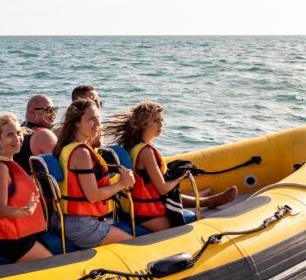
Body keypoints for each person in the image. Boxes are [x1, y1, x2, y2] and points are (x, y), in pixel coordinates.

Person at [106, 101, 238, 232]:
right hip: (147, 214)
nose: (161, 125)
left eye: (162, 120)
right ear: (143, 123)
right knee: (200, 225)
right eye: (156, 121)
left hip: (134, 208)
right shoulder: (146, 152)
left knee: (171, 185)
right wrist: (181, 176)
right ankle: (206, 201)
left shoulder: (132, 146)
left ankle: (206, 200)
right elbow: (163, 189)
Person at [51, 99, 135, 248]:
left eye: (98, 118)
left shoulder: (67, 147)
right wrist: (122, 183)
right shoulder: (81, 153)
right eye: (91, 119)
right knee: (133, 245)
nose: (97, 124)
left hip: (65, 220)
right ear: (76, 122)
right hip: (82, 225)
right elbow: (93, 195)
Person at [0, 114, 52, 262]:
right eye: (10, 135)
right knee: (51, 263)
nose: (17, 139)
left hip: (14, 233)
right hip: (10, 241)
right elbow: (1, 209)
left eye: (19, 133)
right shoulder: (1, 168)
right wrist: (26, 211)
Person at [12, 95, 58, 171]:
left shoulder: (19, 131)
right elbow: (59, 169)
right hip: (33, 182)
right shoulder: (43, 135)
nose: (54, 114)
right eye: (49, 110)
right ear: (32, 113)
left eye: (55, 109)